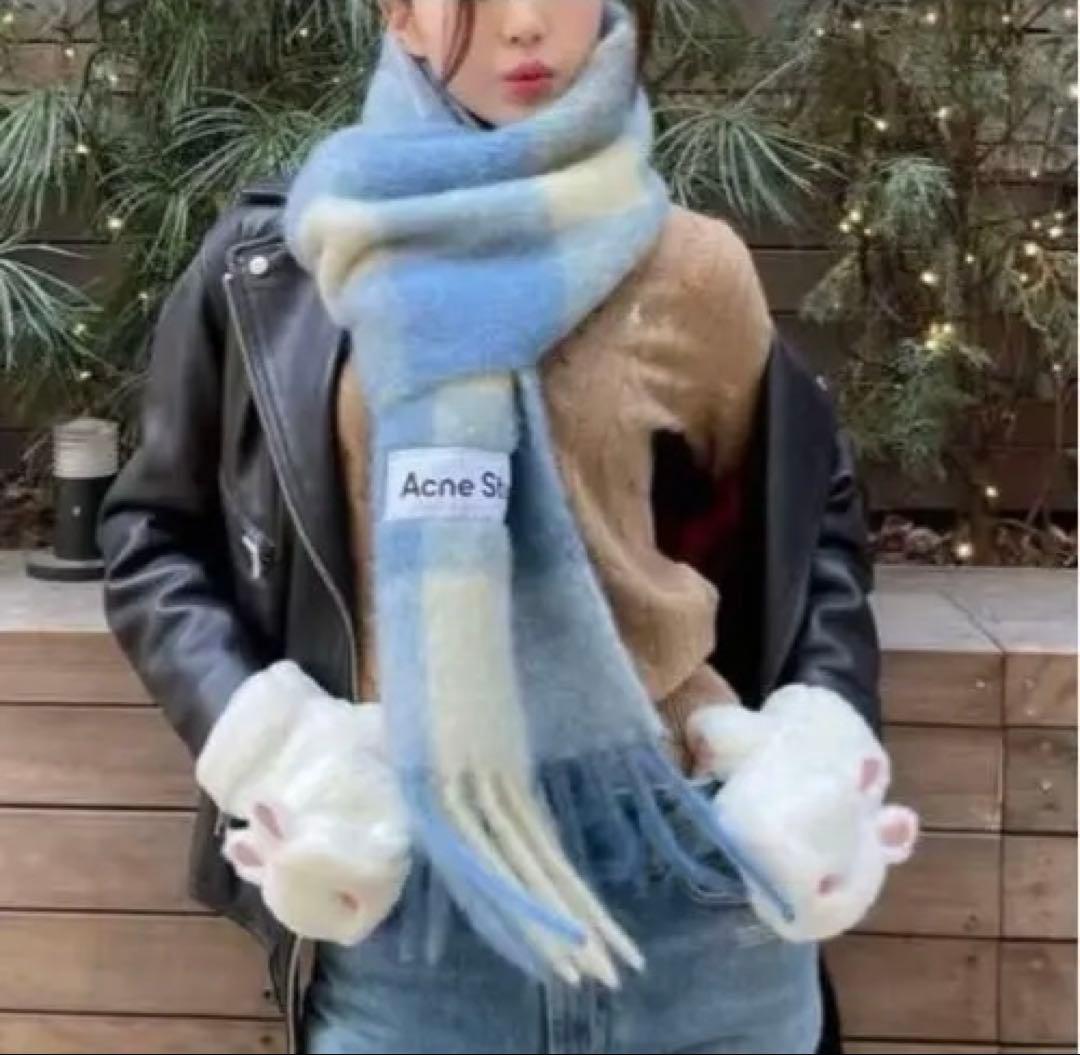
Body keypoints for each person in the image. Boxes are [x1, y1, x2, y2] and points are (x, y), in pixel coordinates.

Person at [98, 2, 917, 1053]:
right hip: (413, 913)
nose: (524, 24)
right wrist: (280, 748)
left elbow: (811, 518)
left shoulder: (688, 265)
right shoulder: (287, 269)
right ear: (400, 15)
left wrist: (816, 740)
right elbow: (155, 535)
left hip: (691, 882)